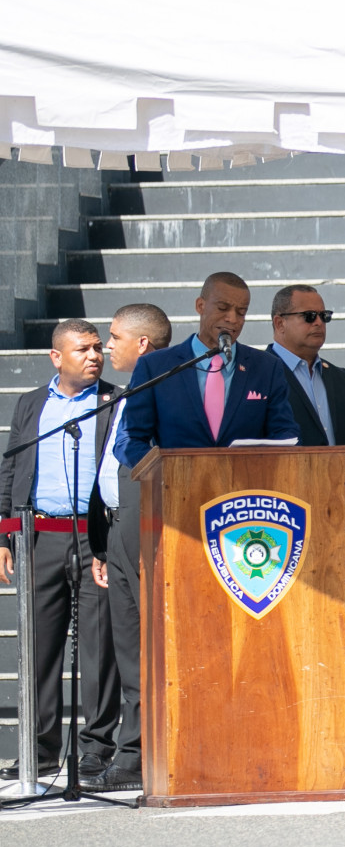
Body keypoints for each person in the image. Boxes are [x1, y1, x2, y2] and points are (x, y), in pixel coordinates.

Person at [0, 320, 119, 786]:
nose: (94, 356)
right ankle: (40, 751)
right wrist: (4, 536)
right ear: (56, 357)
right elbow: (11, 469)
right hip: (40, 537)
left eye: (98, 347)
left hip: (96, 538)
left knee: (99, 646)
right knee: (38, 647)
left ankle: (97, 749)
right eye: (82, 349)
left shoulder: (115, 400)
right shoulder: (31, 403)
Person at [83, 303, 170, 791]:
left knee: (151, 646)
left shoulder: (163, 389)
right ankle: (133, 751)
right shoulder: (121, 395)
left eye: (114, 337)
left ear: (142, 343)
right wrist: (103, 545)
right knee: (128, 649)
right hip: (117, 531)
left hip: (148, 528)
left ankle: (144, 751)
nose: (107, 345)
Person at [120, 271, 299, 466]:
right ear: (200, 306)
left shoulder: (267, 367)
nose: (232, 319)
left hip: (245, 482)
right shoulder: (155, 366)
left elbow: (284, 432)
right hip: (176, 481)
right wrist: (163, 469)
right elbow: (128, 440)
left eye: (241, 312)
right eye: (223, 308)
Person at [266, 285, 345, 576]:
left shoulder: (341, 379)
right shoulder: (257, 374)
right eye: (309, 316)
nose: (319, 322)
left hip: (342, 522)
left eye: (324, 316)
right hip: (281, 524)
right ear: (279, 323)